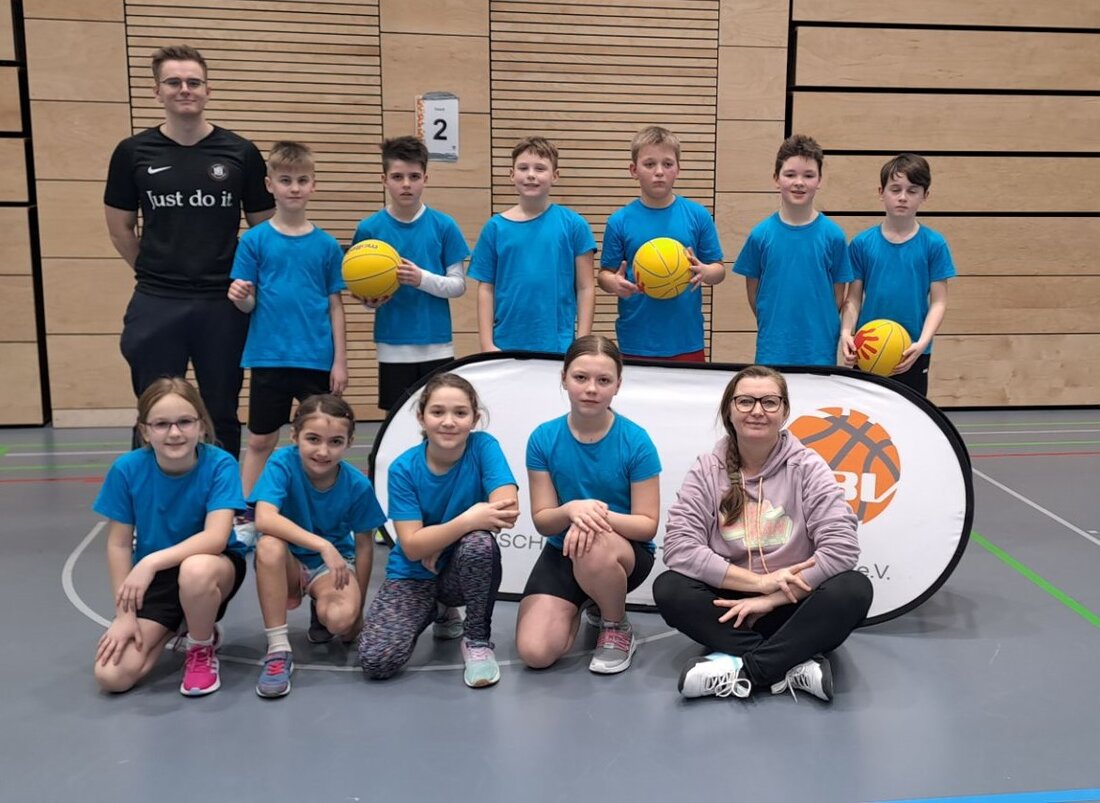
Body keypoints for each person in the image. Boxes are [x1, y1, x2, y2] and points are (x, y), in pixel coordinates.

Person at [652, 365, 873, 702]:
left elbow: (841, 548)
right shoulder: (707, 468)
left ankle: (744, 669)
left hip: (792, 603)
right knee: (670, 588)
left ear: (784, 412)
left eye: (769, 402)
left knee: (854, 589)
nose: (757, 410)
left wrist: (772, 598)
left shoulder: (807, 466)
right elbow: (679, 547)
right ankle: (794, 663)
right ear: (729, 410)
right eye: (745, 401)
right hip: (731, 603)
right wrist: (758, 585)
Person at [104, 44, 275, 458]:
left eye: (193, 82)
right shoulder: (133, 153)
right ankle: (151, 505)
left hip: (222, 303)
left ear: (207, 89)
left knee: (221, 410)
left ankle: (224, 506)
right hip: (157, 300)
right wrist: (156, 272)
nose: (185, 89)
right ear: (157, 91)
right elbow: (120, 228)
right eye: (174, 82)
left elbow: (264, 232)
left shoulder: (240, 153)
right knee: (157, 411)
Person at [92, 377, 248, 697]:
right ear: (145, 431)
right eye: (161, 424)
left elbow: (216, 537)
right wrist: (125, 615)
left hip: (212, 567)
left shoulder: (220, 464)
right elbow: (119, 544)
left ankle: (200, 649)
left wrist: (150, 562)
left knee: (195, 570)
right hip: (159, 580)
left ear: (201, 426)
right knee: (112, 675)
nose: (174, 433)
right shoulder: (127, 469)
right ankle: (179, 625)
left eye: (185, 422)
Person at [516, 335, 661, 674]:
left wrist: (594, 515)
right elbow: (543, 520)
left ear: (617, 386)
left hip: (623, 554)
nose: (591, 388)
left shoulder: (636, 441)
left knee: (593, 543)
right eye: (581, 377)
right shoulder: (543, 438)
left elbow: (646, 525)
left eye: (603, 380)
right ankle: (588, 598)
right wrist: (570, 511)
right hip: (563, 550)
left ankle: (615, 625)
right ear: (564, 379)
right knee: (535, 653)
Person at [228, 141, 347, 497]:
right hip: (269, 357)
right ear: (270, 185)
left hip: (315, 360)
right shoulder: (254, 241)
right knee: (261, 439)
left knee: (321, 439)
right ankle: (245, 511)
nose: (294, 188)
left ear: (313, 184)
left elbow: (335, 306)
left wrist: (339, 361)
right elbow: (247, 305)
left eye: (301, 180)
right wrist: (243, 299)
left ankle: (323, 508)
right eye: (285, 180)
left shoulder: (326, 245)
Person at [250, 395, 385, 698]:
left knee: (340, 620)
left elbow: (365, 547)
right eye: (313, 439)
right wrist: (322, 544)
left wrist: (358, 611)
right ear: (295, 436)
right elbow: (264, 517)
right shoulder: (281, 463)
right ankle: (278, 648)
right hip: (288, 562)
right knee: (268, 545)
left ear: (349, 442)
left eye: (335, 442)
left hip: (331, 567)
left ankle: (321, 609)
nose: (323, 451)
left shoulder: (357, 485)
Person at [352, 136, 470, 411]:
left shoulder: (444, 225)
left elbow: (458, 286)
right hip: (392, 344)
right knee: (395, 423)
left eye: (414, 176)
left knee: (437, 418)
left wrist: (421, 279)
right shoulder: (369, 229)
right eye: (397, 176)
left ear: (425, 178)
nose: (406, 184)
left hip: (437, 343)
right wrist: (369, 302)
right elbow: (363, 289)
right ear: (384, 179)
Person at [598, 126, 725, 361]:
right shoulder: (619, 221)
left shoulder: (698, 215)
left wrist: (706, 271)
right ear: (634, 170)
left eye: (667, 164)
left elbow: (719, 271)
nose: (659, 172)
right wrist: (613, 283)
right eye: (649, 164)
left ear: (678, 169)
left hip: (686, 340)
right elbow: (604, 275)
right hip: (636, 340)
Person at [840, 153, 956, 395]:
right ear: (881, 192)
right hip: (868, 350)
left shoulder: (934, 244)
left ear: (925, 195)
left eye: (912, 190)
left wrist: (923, 342)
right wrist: (846, 333)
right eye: (896, 189)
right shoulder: (862, 244)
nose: (903, 197)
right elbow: (853, 298)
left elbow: (939, 302)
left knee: (910, 421)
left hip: (912, 352)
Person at [733, 134, 852, 367]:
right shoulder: (760, 235)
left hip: (819, 350)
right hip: (773, 349)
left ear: (819, 180)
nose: (799, 182)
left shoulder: (834, 236)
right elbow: (754, 293)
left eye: (808, 175)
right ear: (776, 179)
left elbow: (838, 296)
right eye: (790, 174)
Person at [468, 136, 596, 354]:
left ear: (555, 176)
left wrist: (581, 344)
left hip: (558, 346)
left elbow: (586, 287)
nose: (531, 175)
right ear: (511, 174)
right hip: (505, 345)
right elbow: (486, 289)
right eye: (523, 168)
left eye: (540, 168)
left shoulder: (574, 225)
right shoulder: (495, 228)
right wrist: (487, 344)